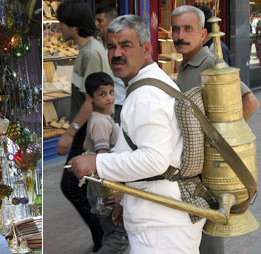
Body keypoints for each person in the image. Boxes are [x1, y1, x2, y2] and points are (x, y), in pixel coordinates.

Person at [69, 15, 205, 253]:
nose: (117, 54)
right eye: (111, 46)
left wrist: (97, 162)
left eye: (126, 45)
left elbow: (155, 160)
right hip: (161, 215)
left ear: (146, 50)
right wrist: (128, 199)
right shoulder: (149, 84)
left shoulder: (146, 96)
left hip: (162, 225)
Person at [169, 5, 260, 254]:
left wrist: (217, 145)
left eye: (188, 29)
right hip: (193, 167)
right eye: (176, 29)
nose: (180, 36)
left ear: (203, 35)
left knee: (209, 236)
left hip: (209, 169)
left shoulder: (209, 63)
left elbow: (250, 101)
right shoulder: (187, 65)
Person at [55, 1, 112, 251]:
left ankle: (104, 238)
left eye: (62, 23)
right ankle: (102, 237)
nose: (59, 27)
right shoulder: (87, 50)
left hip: (87, 130)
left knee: (73, 185)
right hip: (84, 129)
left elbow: (93, 98)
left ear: (73, 26)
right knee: (81, 186)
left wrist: (70, 133)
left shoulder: (90, 52)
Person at [82, 72, 128, 254]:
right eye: (102, 94)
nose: (109, 98)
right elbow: (102, 158)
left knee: (110, 231)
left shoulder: (99, 119)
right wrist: (115, 192)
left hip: (100, 185)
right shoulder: (101, 122)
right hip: (105, 187)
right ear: (89, 98)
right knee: (119, 235)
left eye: (111, 92)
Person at [95, 7, 126, 124]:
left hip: (120, 105)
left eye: (100, 21)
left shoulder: (120, 51)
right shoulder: (97, 47)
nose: (95, 24)